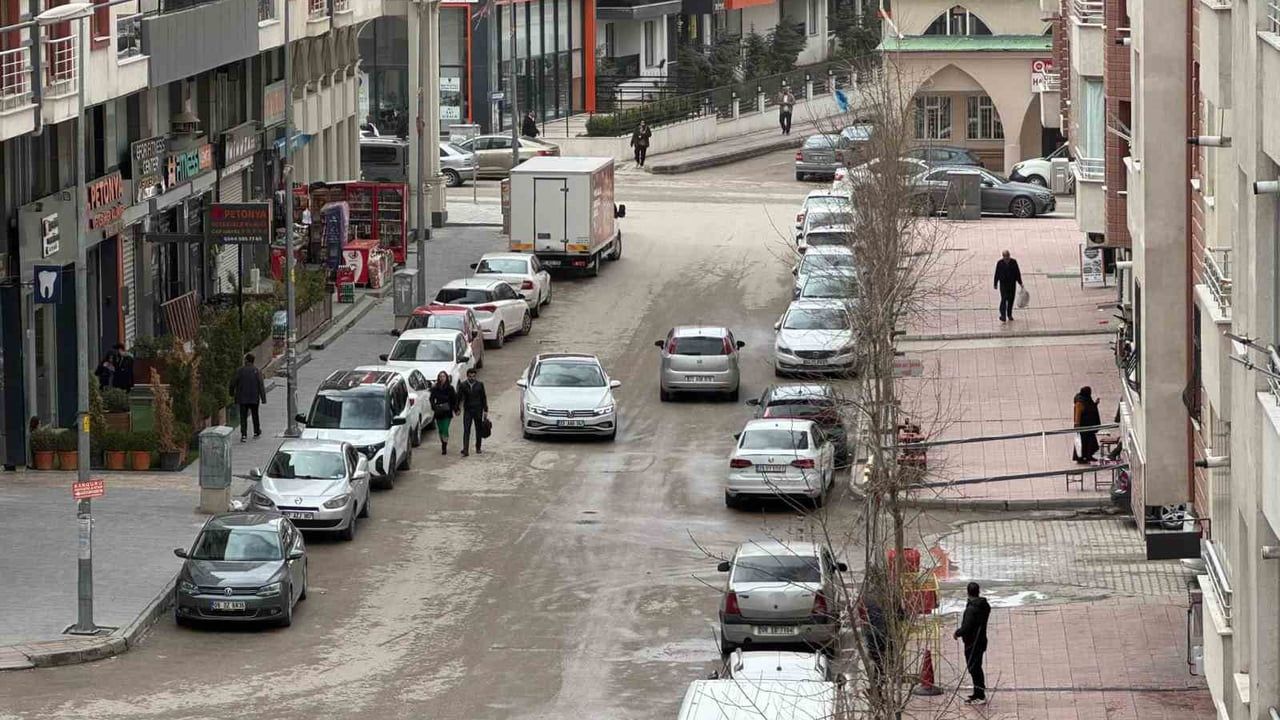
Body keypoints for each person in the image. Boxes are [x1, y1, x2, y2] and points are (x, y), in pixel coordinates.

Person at [954, 581, 991, 705]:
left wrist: (957, 633)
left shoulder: (971, 609)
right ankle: (978, 692)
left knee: (974, 668)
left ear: (968, 592)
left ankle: (979, 695)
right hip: (981, 641)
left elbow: (966, 627)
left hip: (972, 643)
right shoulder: (984, 606)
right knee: (976, 667)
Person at [229, 353, 266, 443]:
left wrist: (231, 393)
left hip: (242, 398)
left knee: (243, 416)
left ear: (246, 360)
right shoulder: (257, 371)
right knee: (255, 415)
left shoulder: (240, 370)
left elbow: (233, 382)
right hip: (254, 398)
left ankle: (244, 434)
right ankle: (256, 431)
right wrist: (263, 398)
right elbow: (261, 385)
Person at [457, 367, 488, 457]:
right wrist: (457, 408)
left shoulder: (480, 385)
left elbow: (483, 397)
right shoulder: (463, 385)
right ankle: (465, 449)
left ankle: (478, 447)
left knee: (478, 429)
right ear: (467, 376)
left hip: (478, 410)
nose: (472, 378)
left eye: (473, 376)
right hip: (468, 410)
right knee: (466, 430)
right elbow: (459, 398)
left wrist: (485, 409)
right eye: (470, 376)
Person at [429, 371, 459, 455]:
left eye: (443, 376)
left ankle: (444, 446)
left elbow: (454, 399)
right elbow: (431, 398)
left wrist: (456, 409)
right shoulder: (435, 388)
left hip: (447, 411)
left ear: (446, 378)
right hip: (439, 411)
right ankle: (443, 442)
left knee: (445, 428)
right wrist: (434, 407)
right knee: (441, 429)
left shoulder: (450, 388)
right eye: (440, 376)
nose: (442, 378)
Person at [993, 250, 1024, 322]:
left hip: (1012, 284)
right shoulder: (1000, 263)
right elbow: (996, 273)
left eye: (1008, 256)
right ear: (1003, 256)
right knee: (1004, 299)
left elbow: (1017, 273)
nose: (1007, 258)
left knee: (1010, 300)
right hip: (1003, 284)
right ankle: (1003, 315)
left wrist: (1020, 282)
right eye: (1005, 257)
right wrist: (995, 283)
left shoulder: (1013, 262)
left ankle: (1009, 314)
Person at [1073, 386, 1102, 463]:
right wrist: (1077, 426)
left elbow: (1090, 408)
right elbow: (1077, 415)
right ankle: (1081, 458)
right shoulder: (1080, 402)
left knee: (1089, 442)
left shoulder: (1087, 399)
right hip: (1082, 427)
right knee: (1082, 443)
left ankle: (1088, 456)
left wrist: (1095, 403)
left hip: (1089, 426)